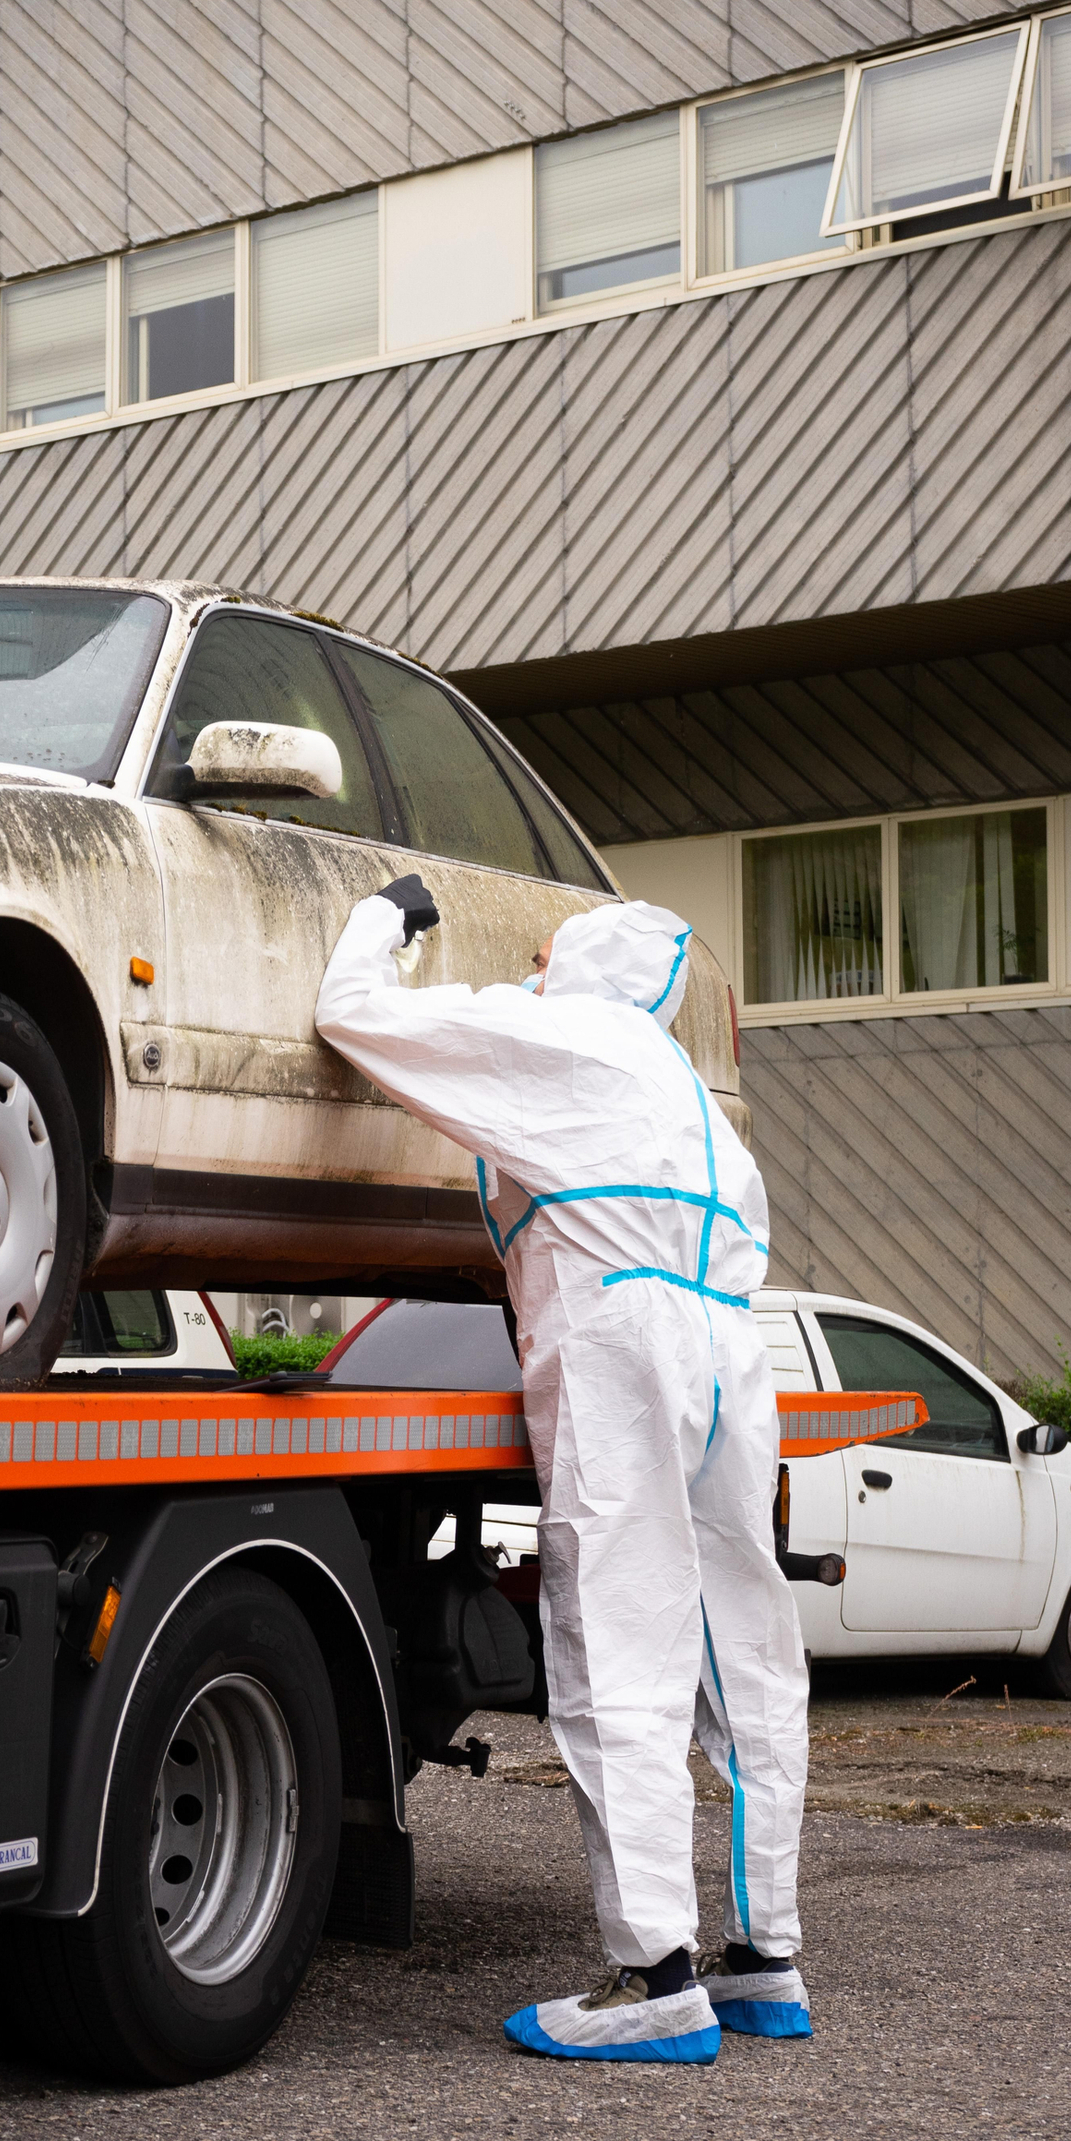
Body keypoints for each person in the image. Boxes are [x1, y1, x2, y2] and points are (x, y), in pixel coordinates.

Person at [315, 876, 812, 2064]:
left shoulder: (564, 1038)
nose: (534, 963)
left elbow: (355, 1016)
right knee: (743, 1650)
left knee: (622, 1641)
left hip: (622, 1338)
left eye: (548, 951)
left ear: (578, 965)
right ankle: (765, 1962)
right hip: (733, 1357)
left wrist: (387, 915)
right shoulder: (690, 1099)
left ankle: (654, 1980)